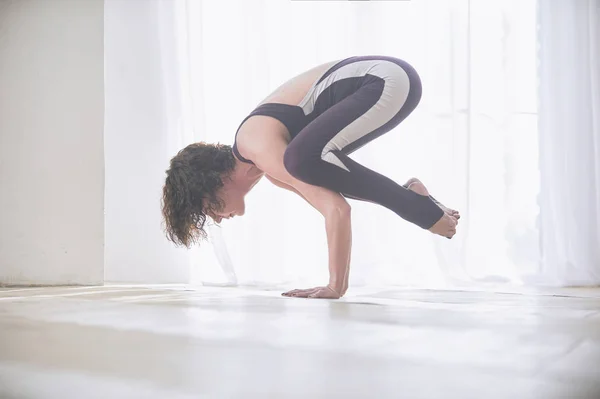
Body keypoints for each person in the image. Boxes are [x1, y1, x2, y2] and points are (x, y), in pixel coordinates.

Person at [161, 55, 460, 299]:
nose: (214, 217)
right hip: (393, 83)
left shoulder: (256, 145)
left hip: (385, 80)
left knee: (300, 161)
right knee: (311, 164)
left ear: (214, 181)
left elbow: (337, 210)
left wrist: (335, 286)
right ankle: (417, 199)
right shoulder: (272, 168)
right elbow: (337, 196)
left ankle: (420, 209)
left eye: (207, 207)